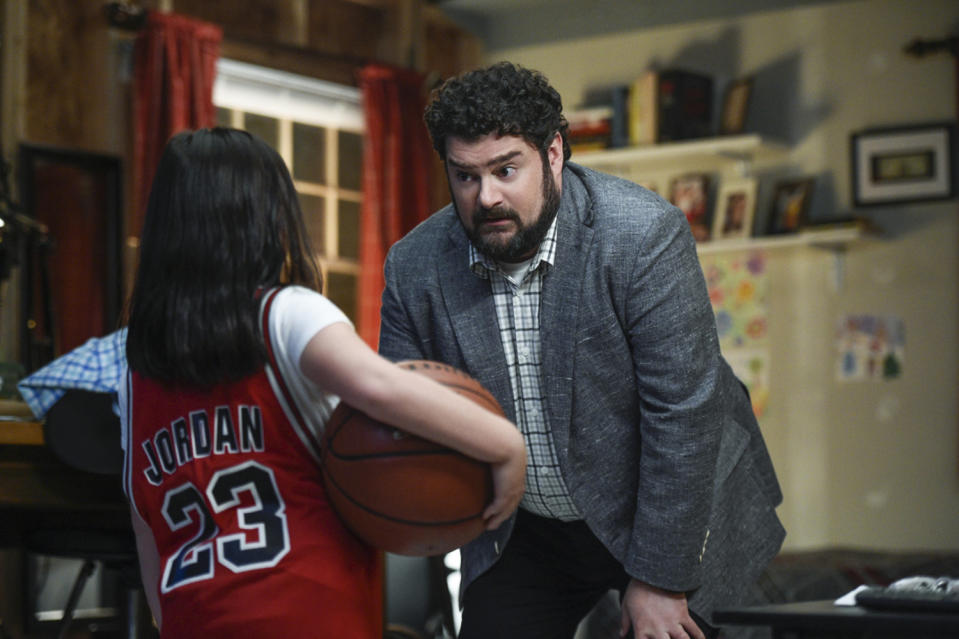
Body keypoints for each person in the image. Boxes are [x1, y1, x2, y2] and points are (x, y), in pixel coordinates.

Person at [378, 62, 786, 639]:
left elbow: (683, 416)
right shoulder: (415, 266)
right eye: (465, 176)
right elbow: (401, 405)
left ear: (553, 154)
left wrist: (663, 581)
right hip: (529, 528)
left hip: (667, 504)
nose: (486, 196)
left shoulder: (642, 235)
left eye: (505, 169)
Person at [120, 127, 526, 638]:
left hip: (195, 618)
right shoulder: (287, 314)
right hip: (308, 609)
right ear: (268, 215)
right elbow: (381, 387)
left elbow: (145, 529)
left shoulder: (136, 371)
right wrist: (505, 445)